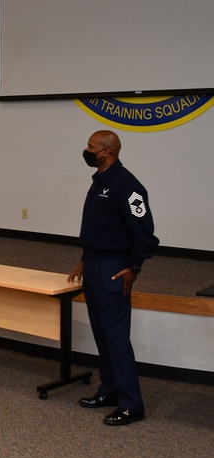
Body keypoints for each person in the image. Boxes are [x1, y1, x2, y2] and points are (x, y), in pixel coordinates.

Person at [68, 130, 159, 427]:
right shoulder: (99, 181)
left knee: (116, 338)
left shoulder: (127, 185)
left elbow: (145, 233)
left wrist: (135, 268)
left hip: (114, 268)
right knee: (102, 334)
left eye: (91, 147)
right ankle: (109, 391)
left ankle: (132, 404)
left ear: (106, 152)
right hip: (94, 264)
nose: (87, 150)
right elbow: (99, 229)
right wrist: (83, 260)